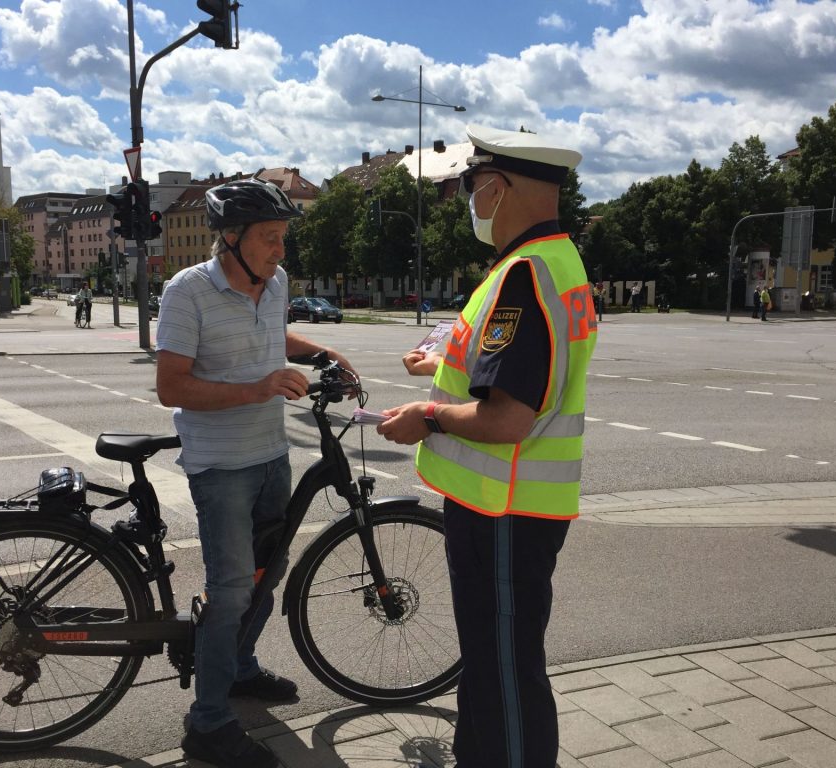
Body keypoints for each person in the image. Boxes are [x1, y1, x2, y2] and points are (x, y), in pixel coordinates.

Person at [377, 124, 597, 768]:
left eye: (473, 186)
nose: (470, 201)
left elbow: (507, 418)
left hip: (504, 510)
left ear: (498, 188)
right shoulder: (556, 262)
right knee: (493, 665)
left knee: (505, 678)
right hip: (512, 508)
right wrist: (444, 363)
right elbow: (522, 366)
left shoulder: (524, 275)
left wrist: (429, 416)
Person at [155, 178, 356, 768]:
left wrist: (322, 354)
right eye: (270, 238)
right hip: (221, 465)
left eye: (282, 238)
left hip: (271, 456)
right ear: (231, 238)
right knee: (232, 590)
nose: (280, 250)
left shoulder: (275, 283)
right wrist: (259, 388)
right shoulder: (185, 292)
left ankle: (237, 669)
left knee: (268, 573)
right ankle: (208, 723)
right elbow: (173, 385)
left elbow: (275, 338)